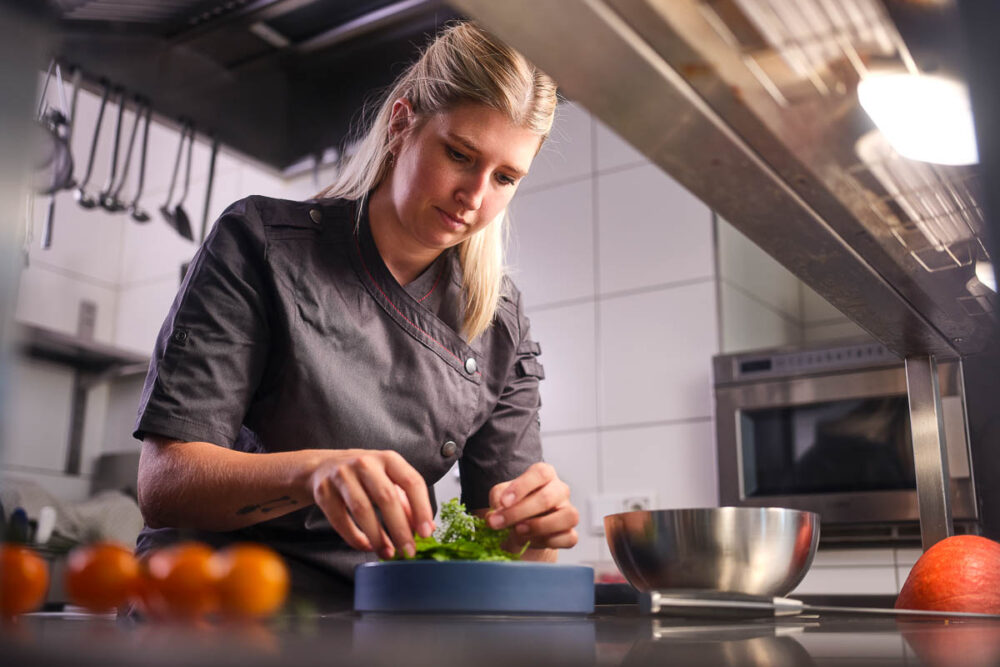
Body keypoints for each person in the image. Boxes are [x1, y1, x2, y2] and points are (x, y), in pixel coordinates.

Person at [133, 21, 580, 604]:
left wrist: (537, 533)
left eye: (504, 177)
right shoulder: (261, 242)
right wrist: (311, 473)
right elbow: (164, 483)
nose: (474, 197)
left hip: (375, 613)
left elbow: (504, 550)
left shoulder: (497, 321)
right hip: (215, 601)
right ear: (401, 124)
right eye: (459, 154)